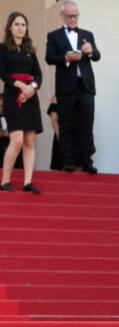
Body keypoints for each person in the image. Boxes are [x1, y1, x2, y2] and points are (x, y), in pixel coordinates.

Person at [46, 1, 100, 174]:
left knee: (87, 124)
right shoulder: (53, 36)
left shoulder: (87, 34)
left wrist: (91, 51)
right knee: (66, 124)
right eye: (69, 16)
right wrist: (66, 58)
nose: (73, 19)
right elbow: (49, 58)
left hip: (85, 86)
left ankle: (86, 161)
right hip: (66, 86)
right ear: (62, 16)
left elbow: (97, 56)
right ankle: (68, 160)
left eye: (76, 15)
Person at [0, 12, 42, 194]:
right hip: (12, 95)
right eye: (16, 24)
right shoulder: (2, 48)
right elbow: (2, 73)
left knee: (30, 141)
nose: (20, 28)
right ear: (10, 27)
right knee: (16, 140)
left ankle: (27, 182)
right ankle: (5, 181)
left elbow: (39, 75)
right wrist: (21, 87)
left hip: (30, 98)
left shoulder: (30, 50)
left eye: (23, 25)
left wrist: (31, 88)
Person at [46, 95, 64, 171]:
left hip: (70, 133)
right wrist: (59, 134)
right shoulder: (56, 97)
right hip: (62, 134)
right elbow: (54, 119)